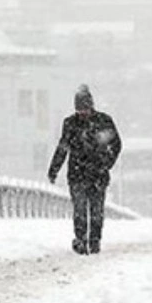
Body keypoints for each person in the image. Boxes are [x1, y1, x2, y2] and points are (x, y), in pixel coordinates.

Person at [48, 84, 123, 254]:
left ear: (91, 106)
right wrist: (54, 169)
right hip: (77, 174)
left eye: (85, 109)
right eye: (79, 110)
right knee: (80, 210)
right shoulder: (70, 124)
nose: (82, 113)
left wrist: (106, 164)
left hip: (98, 173)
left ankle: (94, 240)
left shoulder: (104, 121)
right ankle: (81, 240)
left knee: (96, 210)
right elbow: (63, 147)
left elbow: (116, 144)